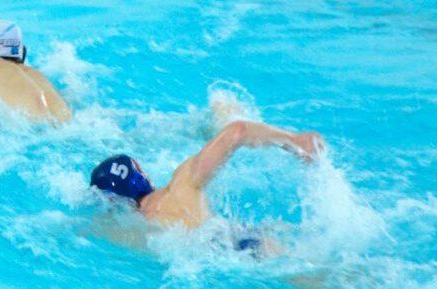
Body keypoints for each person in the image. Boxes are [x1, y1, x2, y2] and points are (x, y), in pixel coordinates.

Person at [90, 108, 324, 256]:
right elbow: (237, 131)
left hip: (210, 259)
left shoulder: (126, 231)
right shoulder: (180, 185)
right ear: (142, 174)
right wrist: (294, 141)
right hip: (241, 245)